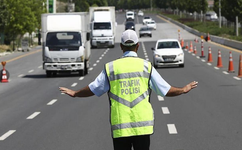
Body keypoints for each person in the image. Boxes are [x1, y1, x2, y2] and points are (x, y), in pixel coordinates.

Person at [59, 29, 198, 150]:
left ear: (121, 46)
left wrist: (75, 93)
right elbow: (165, 90)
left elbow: (94, 88)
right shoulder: (146, 66)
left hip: (120, 128)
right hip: (143, 127)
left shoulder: (111, 68)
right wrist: (183, 89)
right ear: (137, 46)